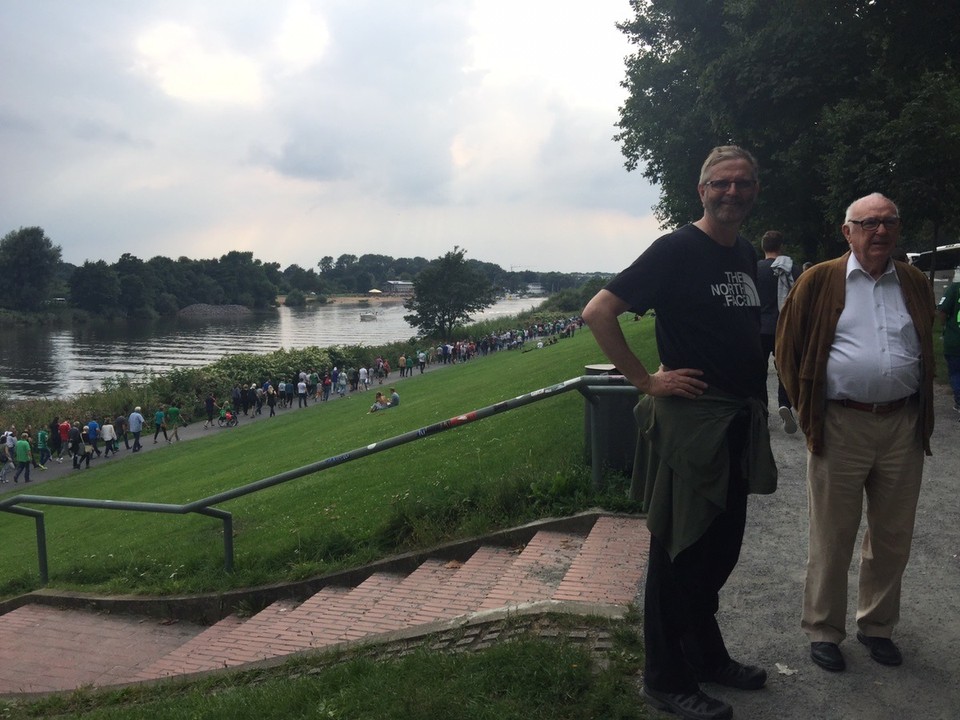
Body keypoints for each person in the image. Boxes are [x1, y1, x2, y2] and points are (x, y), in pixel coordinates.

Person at [582, 146, 776, 720]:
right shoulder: (676, 249)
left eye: (743, 184)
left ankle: (704, 653)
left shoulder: (744, 253)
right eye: (721, 184)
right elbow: (598, 311)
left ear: (755, 190)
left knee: (720, 550)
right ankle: (664, 677)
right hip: (693, 427)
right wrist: (645, 380)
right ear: (702, 190)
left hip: (737, 422)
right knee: (680, 550)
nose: (732, 193)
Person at [776, 192, 935, 673]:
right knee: (832, 534)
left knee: (892, 535)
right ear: (848, 232)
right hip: (841, 424)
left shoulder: (911, 281)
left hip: (902, 424)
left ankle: (877, 627)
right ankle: (824, 630)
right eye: (868, 223)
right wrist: (809, 412)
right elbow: (787, 350)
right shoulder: (819, 280)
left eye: (889, 222)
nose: (880, 231)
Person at [756, 230, 801, 433]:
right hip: (784, 327)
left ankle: (762, 410)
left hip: (759, 327)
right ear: (781, 247)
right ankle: (784, 403)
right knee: (785, 368)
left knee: (758, 372)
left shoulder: (754, 269)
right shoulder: (793, 269)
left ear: (763, 247)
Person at [937, 267, 960, 416]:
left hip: (955, 339)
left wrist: (943, 326)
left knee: (956, 373)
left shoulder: (955, 289)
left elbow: (943, 311)